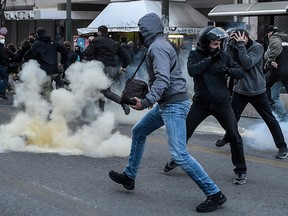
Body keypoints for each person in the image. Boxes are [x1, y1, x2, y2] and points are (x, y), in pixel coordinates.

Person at [109, 13, 226, 213]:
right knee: (139, 132)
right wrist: (152, 98)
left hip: (173, 105)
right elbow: (164, 78)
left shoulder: (158, 48)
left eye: (141, 29)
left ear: (147, 30)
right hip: (167, 103)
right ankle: (129, 177)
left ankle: (214, 193)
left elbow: (163, 79)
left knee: (179, 154)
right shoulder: (160, 44)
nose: (140, 33)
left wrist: (147, 100)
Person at [163, 26, 248, 185]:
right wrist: (210, 60)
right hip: (201, 104)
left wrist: (229, 70)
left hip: (222, 103)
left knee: (234, 135)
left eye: (219, 44)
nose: (218, 47)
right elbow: (192, 71)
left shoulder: (224, 56)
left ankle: (241, 171)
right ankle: (177, 158)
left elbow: (240, 72)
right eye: (214, 44)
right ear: (205, 43)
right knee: (184, 133)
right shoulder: (195, 55)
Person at [213, 29, 288, 159]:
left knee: (269, 119)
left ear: (246, 38)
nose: (241, 42)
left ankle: (282, 147)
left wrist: (240, 45)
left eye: (243, 40)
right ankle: (228, 137)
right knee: (232, 118)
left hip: (257, 90)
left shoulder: (257, 47)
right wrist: (231, 44)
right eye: (238, 41)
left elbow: (247, 64)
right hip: (240, 90)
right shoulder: (235, 45)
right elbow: (226, 60)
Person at [84, 25, 130, 115]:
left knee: (106, 92)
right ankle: (101, 112)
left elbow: (87, 52)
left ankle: (123, 104)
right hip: (112, 70)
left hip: (102, 69)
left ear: (99, 32)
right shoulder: (114, 42)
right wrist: (123, 67)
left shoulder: (96, 40)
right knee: (102, 91)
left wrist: (93, 57)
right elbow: (126, 58)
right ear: (107, 32)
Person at [24, 27, 68, 100]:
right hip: (54, 70)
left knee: (44, 91)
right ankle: (58, 104)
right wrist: (62, 62)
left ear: (37, 35)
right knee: (49, 89)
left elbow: (28, 56)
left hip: (43, 72)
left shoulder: (37, 44)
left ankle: (50, 109)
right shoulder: (53, 42)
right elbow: (65, 51)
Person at [264, 25, 288, 104]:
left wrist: (270, 61)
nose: (268, 35)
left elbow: (275, 48)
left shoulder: (274, 38)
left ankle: (269, 101)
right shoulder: (285, 37)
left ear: (271, 32)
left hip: (278, 68)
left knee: (264, 82)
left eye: (268, 33)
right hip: (286, 70)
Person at [0, 33, 15, 99]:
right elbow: (13, 55)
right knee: (5, 78)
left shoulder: (5, 48)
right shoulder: (5, 49)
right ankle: (2, 92)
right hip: (3, 65)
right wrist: (8, 60)